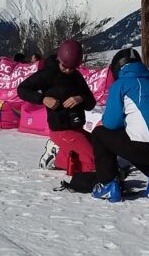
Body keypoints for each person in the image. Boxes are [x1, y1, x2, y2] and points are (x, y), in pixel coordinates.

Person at [87, 47, 149, 202]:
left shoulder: (121, 84)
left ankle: (108, 183)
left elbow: (111, 123)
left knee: (99, 133)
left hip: (144, 147)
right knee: (131, 136)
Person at [18, 39, 96, 175]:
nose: (68, 70)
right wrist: (43, 99)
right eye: (65, 66)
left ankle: (61, 155)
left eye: (72, 68)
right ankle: (60, 157)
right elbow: (22, 89)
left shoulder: (77, 76)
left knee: (102, 152)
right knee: (93, 162)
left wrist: (80, 98)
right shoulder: (48, 74)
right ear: (59, 60)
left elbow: (91, 103)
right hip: (61, 130)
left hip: (77, 128)